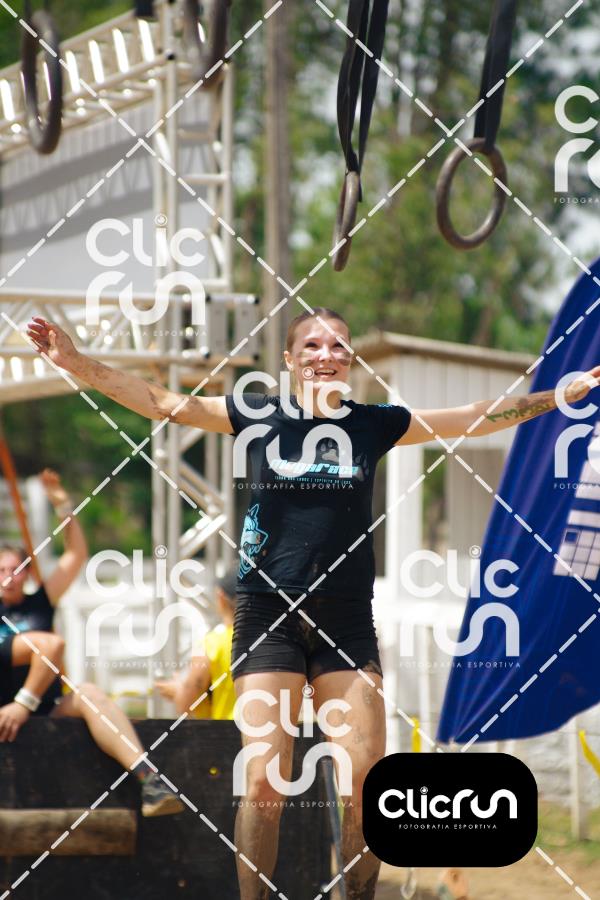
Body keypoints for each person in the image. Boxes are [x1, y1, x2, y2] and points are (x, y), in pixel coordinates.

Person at [26, 309, 600, 899]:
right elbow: (162, 401)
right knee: (264, 784)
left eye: (338, 346)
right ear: (290, 359)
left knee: (365, 782)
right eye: (313, 345)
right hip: (267, 616)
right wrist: (76, 362)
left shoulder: (375, 424)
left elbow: (474, 418)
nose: (326, 354)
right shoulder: (258, 414)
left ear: (349, 359)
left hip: (344, 620)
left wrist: (557, 396)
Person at [0, 469, 183, 817]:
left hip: (43, 709)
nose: (9, 577)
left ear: (27, 573)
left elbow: (76, 554)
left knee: (89, 694)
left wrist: (63, 507)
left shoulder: (39, 602)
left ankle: (150, 781)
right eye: (2, 570)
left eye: (17, 569)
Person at [155, 569, 237, 720]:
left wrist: (178, 689)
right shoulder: (272, 640)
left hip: (227, 730)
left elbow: (185, 704)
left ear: (221, 597)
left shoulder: (210, 644)